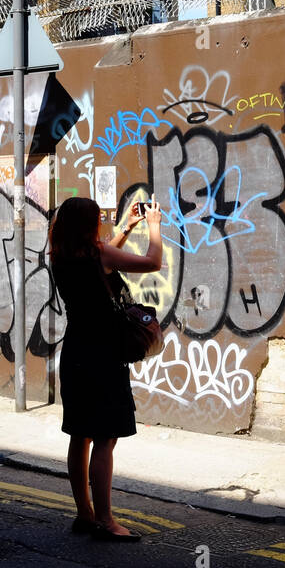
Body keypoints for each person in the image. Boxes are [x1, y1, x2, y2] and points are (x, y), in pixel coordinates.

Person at [48, 195, 163, 541]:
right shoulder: (98, 255)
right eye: (98, 220)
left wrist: (125, 229)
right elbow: (152, 262)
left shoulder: (61, 257)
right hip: (103, 355)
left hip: (76, 353)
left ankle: (85, 515)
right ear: (90, 225)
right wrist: (154, 227)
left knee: (79, 434)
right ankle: (107, 521)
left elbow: (102, 263)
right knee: (104, 439)